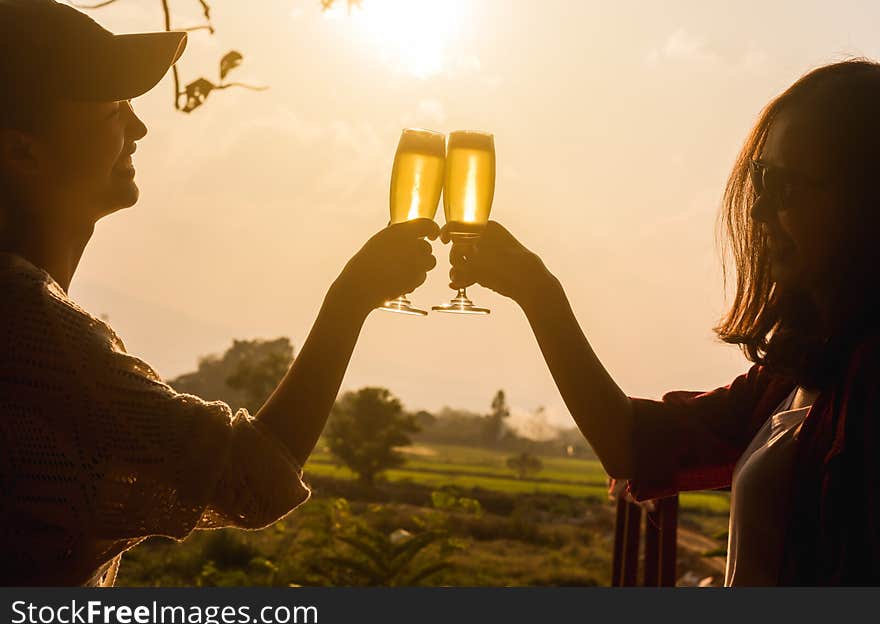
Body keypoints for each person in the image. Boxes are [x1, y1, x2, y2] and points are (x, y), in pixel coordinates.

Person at [0, 0, 437, 585]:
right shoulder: (32, 328)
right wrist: (351, 298)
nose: (139, 128)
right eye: (112, 110)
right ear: (21, 152)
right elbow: (252, 477)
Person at [447, 59, 880, 585]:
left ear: (863, 197)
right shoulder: (796, 375)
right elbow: (631, 443)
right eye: (760, 180)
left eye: (786, 186)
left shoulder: (866, 381)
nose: (761, 210)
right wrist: (539, 294)